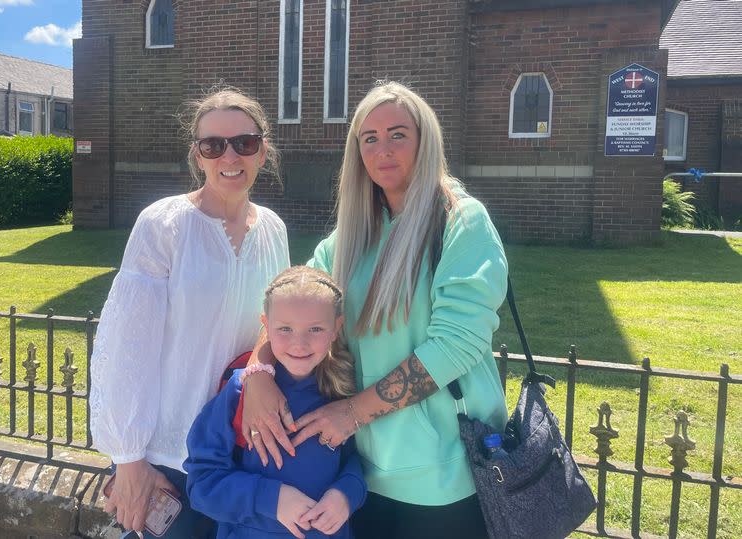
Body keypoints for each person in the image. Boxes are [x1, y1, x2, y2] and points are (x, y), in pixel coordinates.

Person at [240, 81, 509, 539]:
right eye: (370, 138)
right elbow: (293, 300)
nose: (383, 149)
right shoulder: (350, 237)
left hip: (442, 478)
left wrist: (352, 414)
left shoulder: (461, 221)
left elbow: (457, 345)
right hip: (358, 476)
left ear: (425, 141)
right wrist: (258, 372)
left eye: (398, 134)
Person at [89, 88, 290, 538]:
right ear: (197, 155)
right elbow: (127, 346)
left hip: (241, 452)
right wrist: (129, 459)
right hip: (170, 455)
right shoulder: (164, 225)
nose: (229, 156)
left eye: (245, 142)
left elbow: (277, 327)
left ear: (263, 151)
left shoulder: (273, 229)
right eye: (213, 145)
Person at [184, 266, 367, 539]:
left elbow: (355, 461)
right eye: (285, 329)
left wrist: (346, 494)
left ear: (336, 329)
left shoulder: (342, 391)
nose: (299, 343)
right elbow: (201, 485)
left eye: (315, 328)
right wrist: (271, 499)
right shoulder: (240, 393)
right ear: (266, 326)